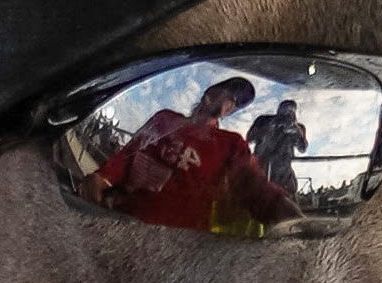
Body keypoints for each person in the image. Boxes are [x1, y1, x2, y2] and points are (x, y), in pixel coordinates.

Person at [82, 78, 299, 233]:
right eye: (225, 92)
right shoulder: (164, 119)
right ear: (211, 91)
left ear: (231, 110)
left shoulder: (230, 144)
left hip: (179, 244)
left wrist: (296, 221)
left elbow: (257, 190)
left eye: (234, 102)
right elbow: (126, 156)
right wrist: (101, 178)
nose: (226, 102)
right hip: (120, 220)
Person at [247, 99, 308, 196]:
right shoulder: (263, 120)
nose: (288, 114)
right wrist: (272, 125)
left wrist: (296, 131)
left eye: (292, 111)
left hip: (284, 173)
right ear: (279, 110)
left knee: (286, 198)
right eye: (285, 110)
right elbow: (250, 138)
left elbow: (302, 148)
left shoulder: (299, 127)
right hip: (260, 169)